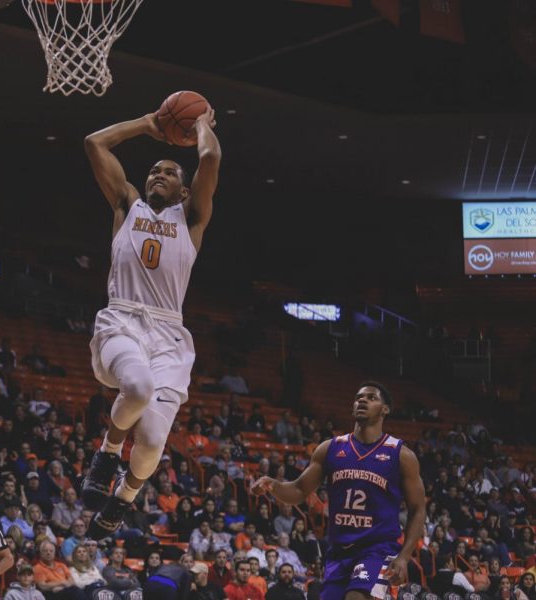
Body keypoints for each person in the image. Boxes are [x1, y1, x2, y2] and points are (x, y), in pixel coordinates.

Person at [80, 105, 221, 540]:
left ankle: (123, 500)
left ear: (183, 190)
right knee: (137, 389)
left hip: (168, 334)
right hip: (122, 320)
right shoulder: (127, 204)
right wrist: (147, 125)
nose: (158, 174)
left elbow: (211, 159)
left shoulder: (191, 219)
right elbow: (94, 143)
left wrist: (200, 124)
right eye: (154, 170)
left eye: (170, 172)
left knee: (156, 437)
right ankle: (107, 453)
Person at [251, 382, 426, 600]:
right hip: (339, 550)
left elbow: (418, 509)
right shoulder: (330, 448)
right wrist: (273, 485)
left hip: (377, 549)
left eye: (371, 397)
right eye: (358, 397)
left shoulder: (401, 455)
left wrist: (404, 556)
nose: (362, 400)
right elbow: (298, 489)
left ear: (385, 409)